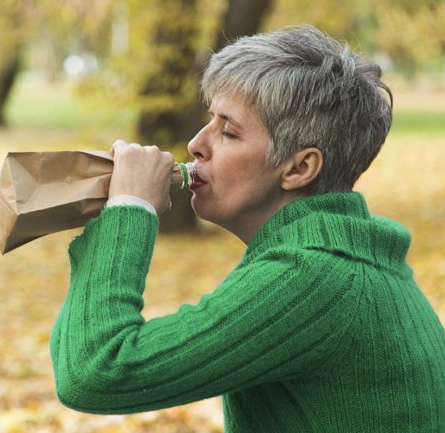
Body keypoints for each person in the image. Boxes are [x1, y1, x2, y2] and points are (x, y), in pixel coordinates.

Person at [49, 25, 445, 432]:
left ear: (299, 168)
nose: (196, 143)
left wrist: (128, 211)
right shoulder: (337, 260)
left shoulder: (315, 279)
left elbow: (97, 372)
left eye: (229, 131)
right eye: (209, 120)